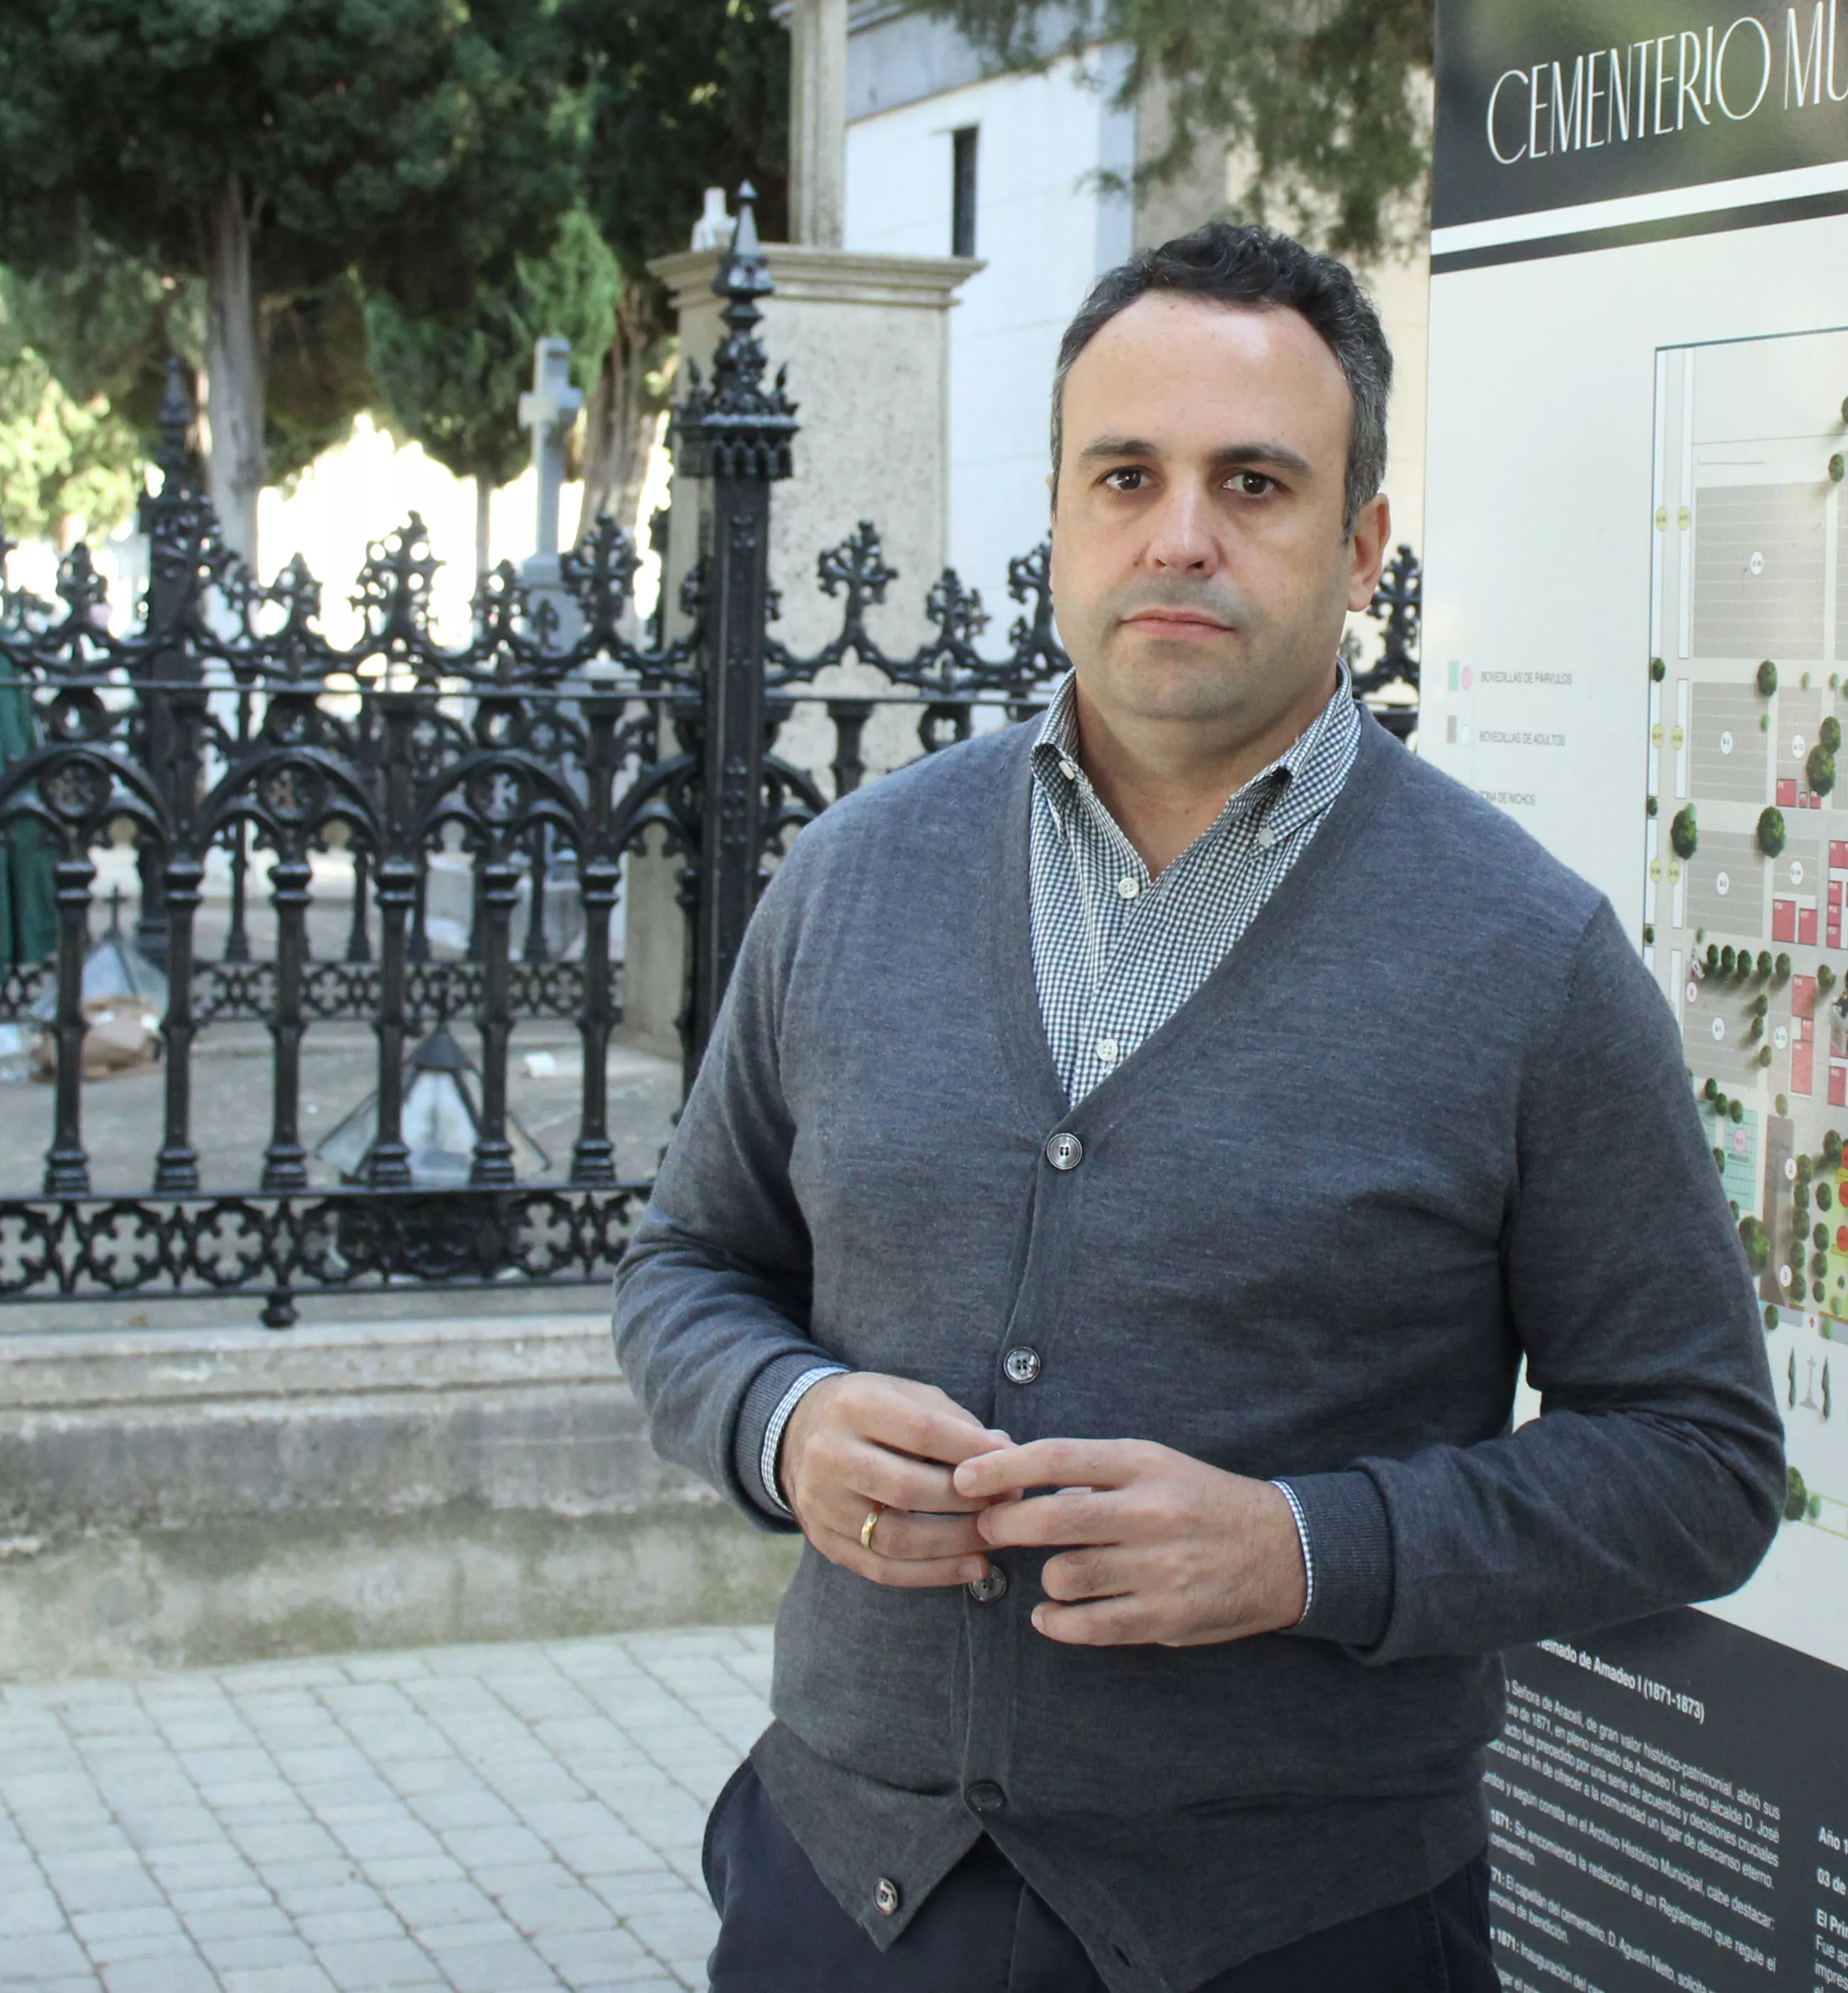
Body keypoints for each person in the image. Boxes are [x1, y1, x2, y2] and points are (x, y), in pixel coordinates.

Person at [615, 222, 1781, 1993]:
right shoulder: (854, 879)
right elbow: (687, 1270)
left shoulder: (1524, 961)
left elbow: (1702, 1468)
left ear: (1362, 547)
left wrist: (1305, 1551)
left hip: (1297, 1933)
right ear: (1061, 521)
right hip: (846, 1898)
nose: (1180, 536)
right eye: (1126, 476)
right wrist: (784, 1421)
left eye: (1254, 482)